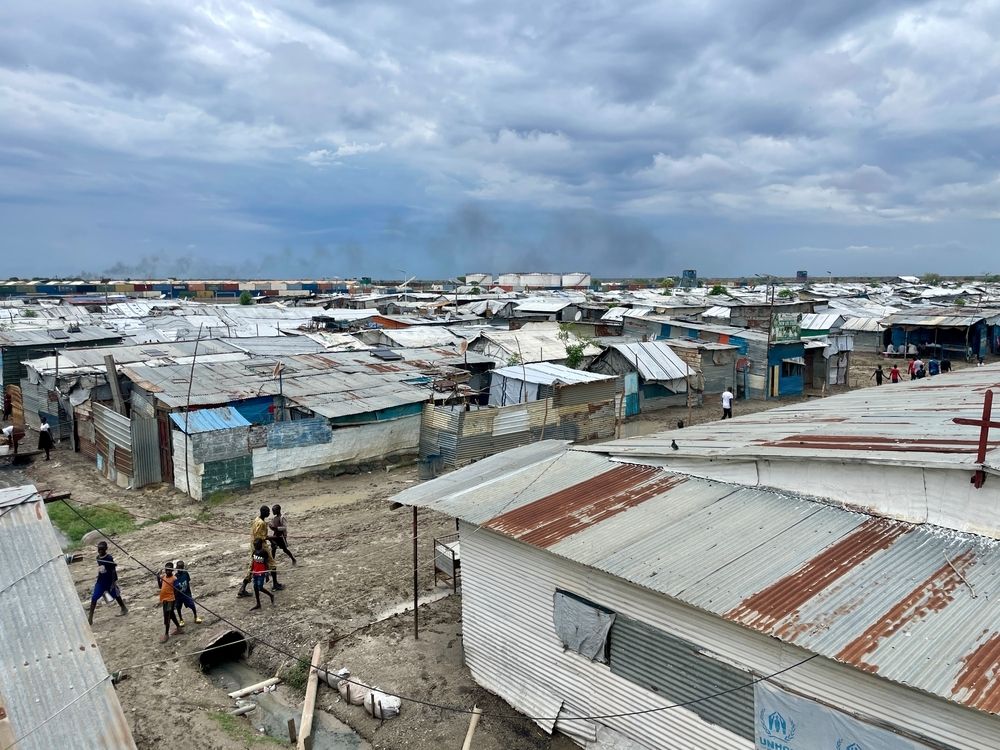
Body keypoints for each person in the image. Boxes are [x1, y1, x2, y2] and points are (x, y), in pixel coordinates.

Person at [238, 505, 283, 597]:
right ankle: (275, 584)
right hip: (261, 546)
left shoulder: (256, 519)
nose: (269, 513)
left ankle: (243, 588)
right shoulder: (262, 523)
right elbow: (261, 537)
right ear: (264, 512)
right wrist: (273, 538)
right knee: (272, 564)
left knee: (252, 566)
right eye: (268, 512)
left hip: (254, 545)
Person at [87, 541, 128, 626]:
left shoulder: (109, 558)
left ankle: (124, 608)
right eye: (99, 549)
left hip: (109, 581)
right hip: (101, 581)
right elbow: (101, 568)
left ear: (106, 549)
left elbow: (113, 571)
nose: (100, 551)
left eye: (102, 549)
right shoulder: (97, 557)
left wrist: (113, 582)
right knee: (94, 597)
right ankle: (90, 618)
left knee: (116, 594)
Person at [157, 561, 183, 643]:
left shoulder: (174, 579)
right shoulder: (164, 577)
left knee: (167, 616)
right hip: (164, 600)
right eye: (166, 570)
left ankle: (166, 634)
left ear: (172, 570)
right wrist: (158, 578)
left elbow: (178, 589)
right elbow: (160, 586)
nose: (167, 571)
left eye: (169, 570)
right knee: (171, 614)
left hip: (170, 601)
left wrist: (173, 597)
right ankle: (179, 628)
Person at [173, 560, 202, 626]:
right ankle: (181, 619)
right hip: (179, 595)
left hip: (186, 593)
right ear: (176, 567)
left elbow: (188, 581)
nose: (179, 568)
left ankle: (195, 616)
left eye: (181, 567)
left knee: (192, 605)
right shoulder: (175, 576)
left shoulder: (185, 573)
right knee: (178, 607)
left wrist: (188, 592)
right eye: (178, 567)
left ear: (183, 568)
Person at [249, 539, 275, 611]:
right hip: (255, 572)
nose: (255, 546)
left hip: (261, 572)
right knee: (255, 587)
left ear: (260, 545)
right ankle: (258, 603)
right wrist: (251, 571)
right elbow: (253, 562)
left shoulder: (264, 552)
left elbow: (266, 563)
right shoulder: (254, 552)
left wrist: (266, 574)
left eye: (256, 545)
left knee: (260, 587)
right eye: (254, 545)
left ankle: (271, 595)